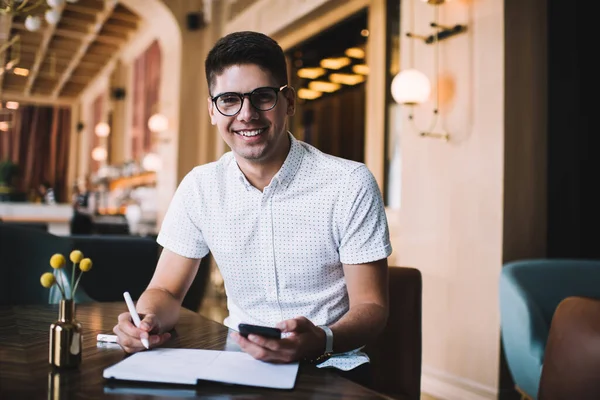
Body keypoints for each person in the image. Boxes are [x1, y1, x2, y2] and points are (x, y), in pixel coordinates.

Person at [113, 31, 392, 387]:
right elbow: (165, 291)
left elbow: (372, 308)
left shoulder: (349, 182)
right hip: (238, 363)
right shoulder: (200, 187)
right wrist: (144, 320)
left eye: (262, 97)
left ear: (288, 101)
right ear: (213, 110)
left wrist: (322, 338)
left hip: (331, 366)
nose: (247, 115)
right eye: (229, 100)